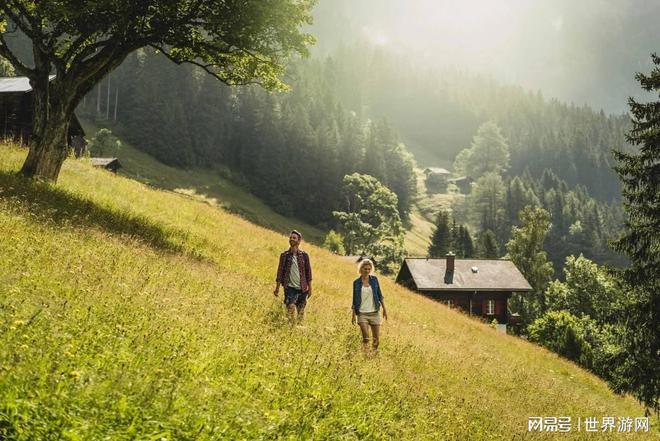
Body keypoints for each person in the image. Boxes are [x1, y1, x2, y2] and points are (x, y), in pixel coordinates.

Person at [274, 230, 312, 324]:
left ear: (299, 241)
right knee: (290, 308)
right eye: (290, 238)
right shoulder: (284, 256)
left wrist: (310, 288)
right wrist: (277, 288)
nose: (291, 239)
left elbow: (308, 273)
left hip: (303, 288)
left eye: (294, 238)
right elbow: (280, 272)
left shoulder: (304, 256)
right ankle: (290, 327)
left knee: (301, 312)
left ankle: (299, 329)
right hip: (289, 288)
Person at [351, 259, 387, 352]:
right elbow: (354, 299)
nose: (367, 271)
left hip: (374, 313)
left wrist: (384, 309)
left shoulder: (374, 280)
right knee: (366, 338)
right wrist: (353, 315)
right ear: (361, 269)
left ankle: (373, 356)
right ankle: (366, 355)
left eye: (368, 269)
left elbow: (379, 294)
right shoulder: (356, 283)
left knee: (376, 340)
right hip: (362, 313)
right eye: (365, 268)